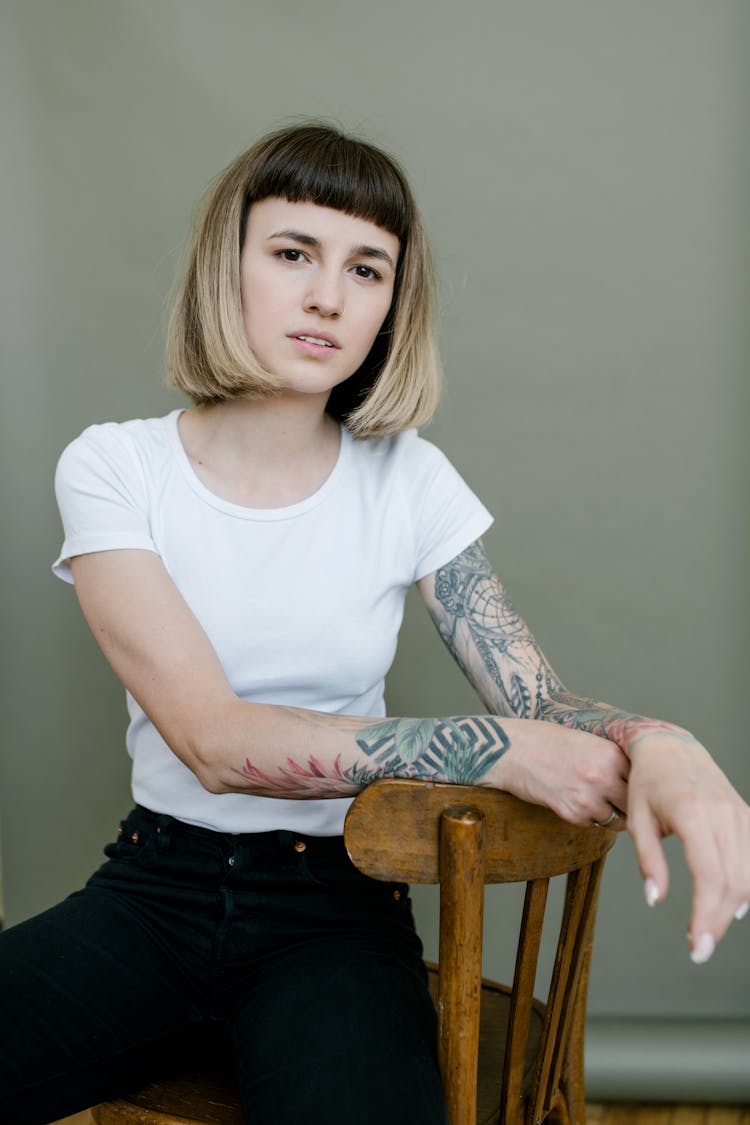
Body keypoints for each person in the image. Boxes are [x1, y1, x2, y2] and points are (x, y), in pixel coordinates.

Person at [1, 123, 748, 1125]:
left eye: (368, 268)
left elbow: (537, 702)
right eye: (293, 253)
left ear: (394, 302)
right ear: (229, 268)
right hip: (155, 892)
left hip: (337, 914)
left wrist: (662, 741)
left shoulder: (409, 479)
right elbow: (214, 741)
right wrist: (491, 753)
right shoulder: (116, 466)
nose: (328, 297)